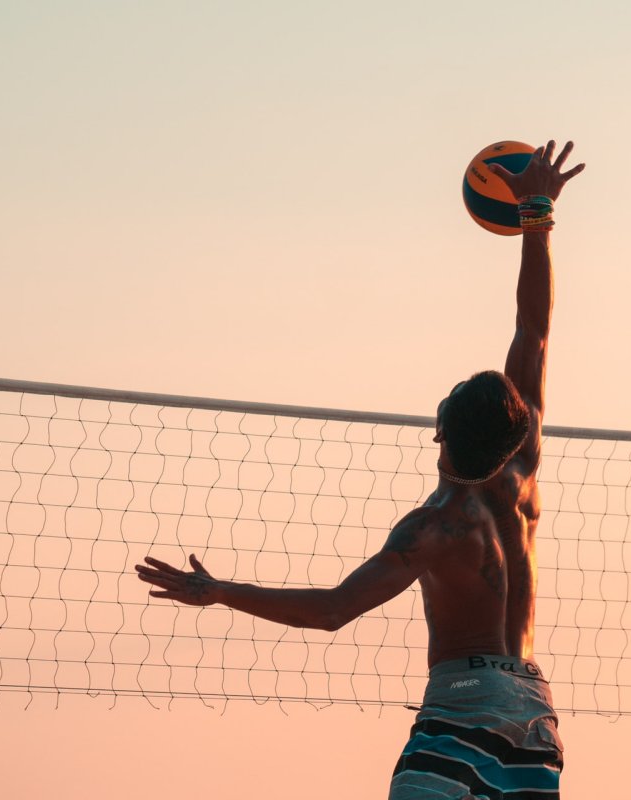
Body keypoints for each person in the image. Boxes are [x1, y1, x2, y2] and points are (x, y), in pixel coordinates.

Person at [136, 141, 585, 799]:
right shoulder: (522, 467)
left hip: (463, 703)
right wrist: (536, 216)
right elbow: (534, 330)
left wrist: (223, 591)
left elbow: (333, 610)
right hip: (533, 712)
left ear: (440, 435)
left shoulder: (432, 530)